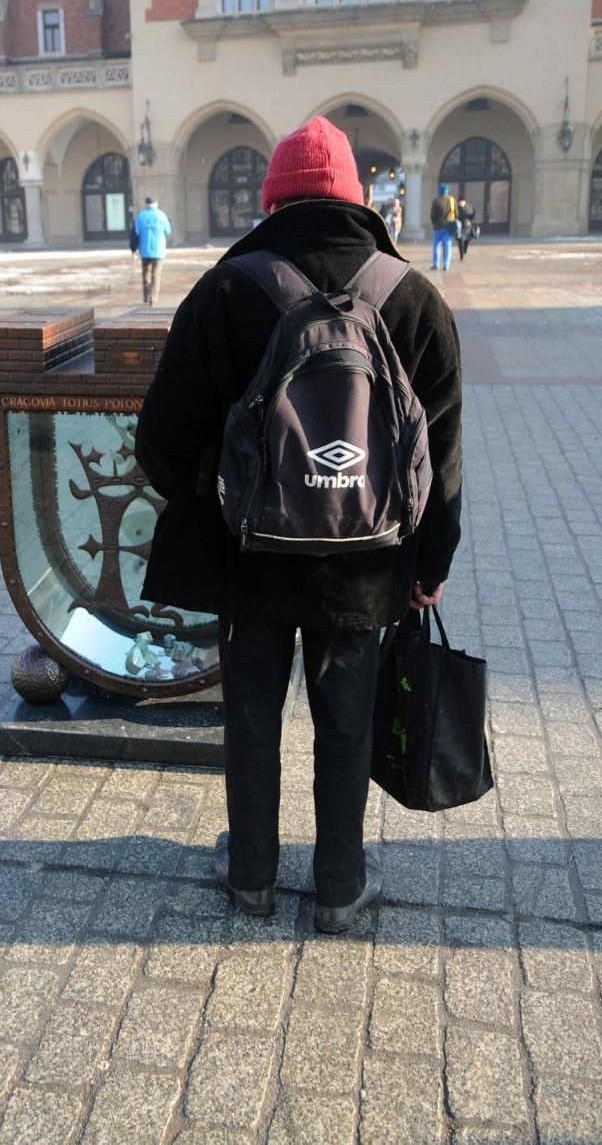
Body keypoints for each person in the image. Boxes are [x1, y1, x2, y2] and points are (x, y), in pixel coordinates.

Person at [135, 116, 462, 935]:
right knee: (345, 718)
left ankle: (250, 877)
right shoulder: (413, 296)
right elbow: (444, 453)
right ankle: (340, 887)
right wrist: (433, 557)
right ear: (356, 199)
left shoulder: (225, 289)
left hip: (252, 557)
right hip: (368, 558)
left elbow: (161, 443)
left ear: (272, 199)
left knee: (250, 713)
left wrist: (215, 499)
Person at [129, 197, 172, 305]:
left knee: (146, 274)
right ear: (156, 203)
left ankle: (146, 296)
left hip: (144, 251)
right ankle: (153, 298)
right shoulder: (162, 215)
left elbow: (134, 234)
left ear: (146, 204)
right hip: (158, 251)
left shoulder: (140, 217)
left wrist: (133, 250)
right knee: (156, 275)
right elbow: (168, 230)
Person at [430, 182, 457, 271]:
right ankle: (446, 264)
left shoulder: (436, 201)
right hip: (449, 226)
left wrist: (434, 222)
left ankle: (436, 264)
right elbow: (456, 214)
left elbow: (433, 215)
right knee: (447, 245)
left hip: (438, 226)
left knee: (436, 245)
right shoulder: (452, 200)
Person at [456, 197, 477, 261]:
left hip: (467, 227)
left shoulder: (469, 208)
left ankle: (464, 250)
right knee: (460, 241)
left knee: (467, 240)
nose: (461, 203)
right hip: (459, 228)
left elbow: (471, 218)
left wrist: (474, 213)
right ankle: (461, 255)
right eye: (460, 202)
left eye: (463, 202)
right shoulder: (456, 209)